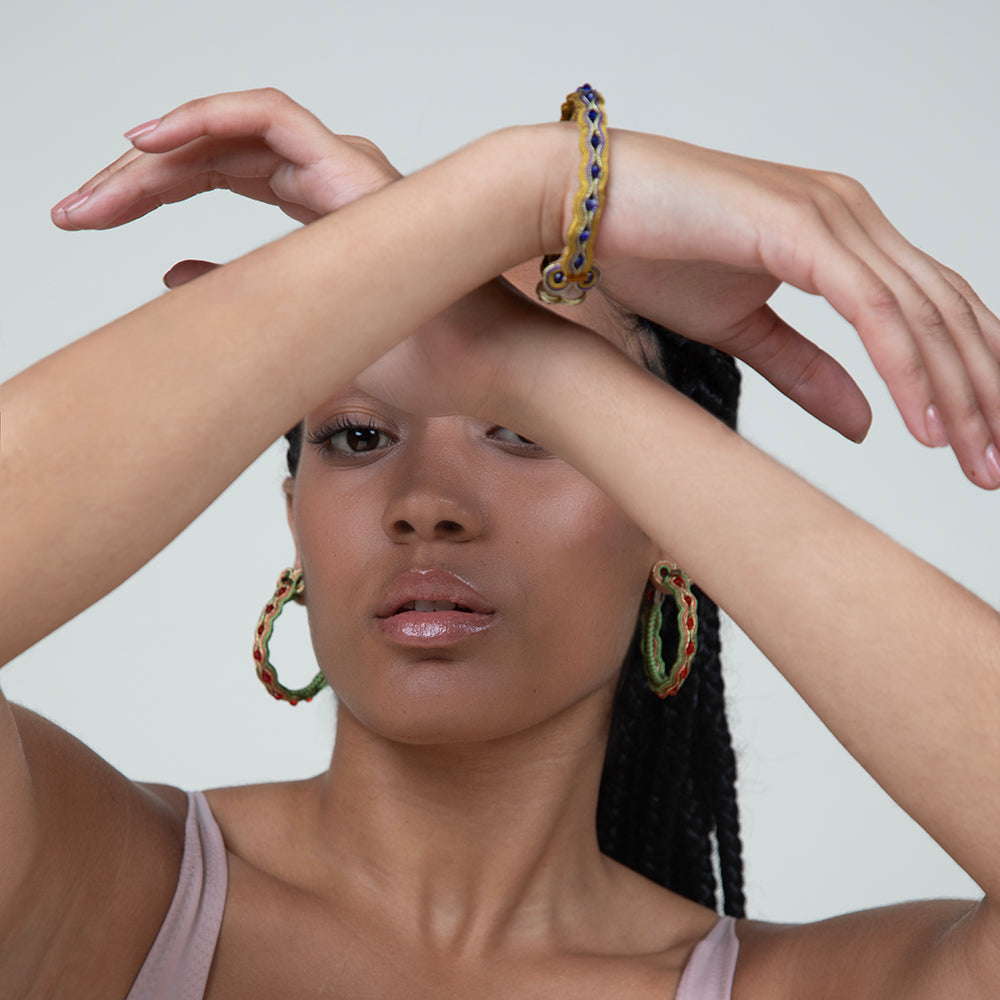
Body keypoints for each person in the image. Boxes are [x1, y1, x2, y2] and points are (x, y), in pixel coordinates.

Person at [1, 86, 998, 999]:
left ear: (672, 523)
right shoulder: (92, 884)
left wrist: (517, 354)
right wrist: (523, 184)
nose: (427, 504)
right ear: (295, 514)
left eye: (528, 432)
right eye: (357, 434)